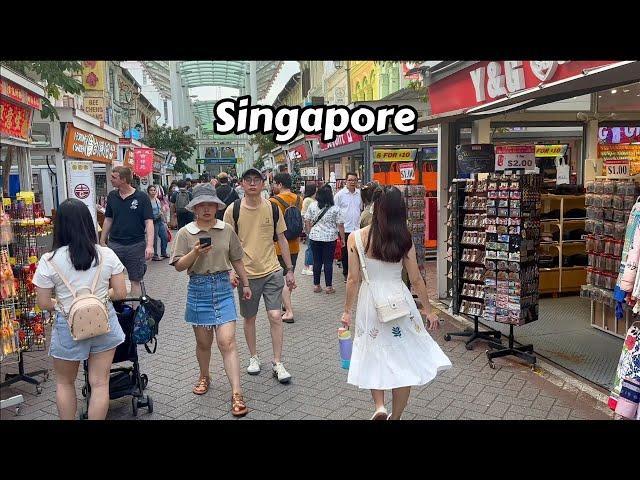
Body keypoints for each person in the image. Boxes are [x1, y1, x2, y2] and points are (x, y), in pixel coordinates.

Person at [341, 186, 452, 420]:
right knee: (403, 359)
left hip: (370, 302)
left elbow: (353, 279)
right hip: (399, 303)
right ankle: (396, 416)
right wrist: (429, 311)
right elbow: (416, 279)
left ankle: (379, 406)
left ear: (376, 208)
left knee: (374, 353)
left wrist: (347, 312)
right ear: (400, 211)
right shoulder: (404, 237)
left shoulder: (356, 238)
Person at [33, 199, 127, 420]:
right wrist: (99, 298)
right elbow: (121, 293)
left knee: (65, 383)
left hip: (68, 326)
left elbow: (44, 302)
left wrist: (66, 305)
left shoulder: (49, 260)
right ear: (88, 222)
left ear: (60, 225)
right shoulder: (107, 254)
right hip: (104, 324)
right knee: (100, 383)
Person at [171, 183, 252, 416]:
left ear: (217, 207)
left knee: (227, 342)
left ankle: (237, 393)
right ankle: (204, 375)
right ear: (194, 208)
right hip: (198, 289)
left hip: (223, 288)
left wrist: (245, 283)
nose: (207, 209)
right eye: (201, 205)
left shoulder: (226, 229)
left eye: (211, 204)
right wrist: (195, 252)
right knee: (203, 343)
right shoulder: (186, 233)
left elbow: (236, 259)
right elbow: (178, 266)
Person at [223, 168, 296, 384]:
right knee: (250, 317)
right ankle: (254, 357)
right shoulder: (232, 210)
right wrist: (230, 270)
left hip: (272, 270)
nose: (253, 184)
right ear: (242, 184)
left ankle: (277, 362)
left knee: (275, 315)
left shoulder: (272, 207)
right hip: (246, 275)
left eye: (257, 180)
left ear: (263, 184)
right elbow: (226, 242)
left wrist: (289, 269)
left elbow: (281, 239)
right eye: (248, 180)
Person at [100, 166, 154, 298]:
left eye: (114, 177)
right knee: (110, 279)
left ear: (123, 179)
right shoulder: (112, 196)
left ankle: (137, 314)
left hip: (135, 245)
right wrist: (102, 240)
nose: (111, 179)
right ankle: (115, 312)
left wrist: (150, 245)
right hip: (114, 244)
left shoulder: (142, 197)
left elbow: (149, 222)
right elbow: (108, 219)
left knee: (135, 280)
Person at [269, 173, 302, 323]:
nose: (273, 186)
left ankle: (288, 311)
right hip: (294, 245)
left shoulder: (272, 201)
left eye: (274, 184)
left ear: (280, 185)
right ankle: (286, 304)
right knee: (290, 275)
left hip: (278, 246)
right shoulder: (298, 199)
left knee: (280, 280)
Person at [304, 184, 345, 294]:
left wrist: (309, 232)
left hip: (315, 237)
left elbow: (306, 219)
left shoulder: (312, 205)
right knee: (328, 262)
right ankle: (328, 287)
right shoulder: (335, 209)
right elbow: (340, 225)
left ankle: (316, 286)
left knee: (317, 261)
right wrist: (343, 239)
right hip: (330, 238)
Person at [334, 172, 362, 282]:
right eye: (350, 180)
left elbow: (361, 208)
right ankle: (346, 273)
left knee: (358, 251)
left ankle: (356, 273)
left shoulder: (360, 194)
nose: (352, 182)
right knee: (345, 252)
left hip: (357, 228)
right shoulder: (339, 195)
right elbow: (335, 211)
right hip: (344, 229)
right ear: (346, 181)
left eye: (354, 180)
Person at [147, 185, 169, 261]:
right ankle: (155, 255)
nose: (153, 192)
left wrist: (164, 220)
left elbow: (161, 210)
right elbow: (147, 214)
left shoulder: (157, 200)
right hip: (153, 222)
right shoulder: (147, 201)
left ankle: (164, 252)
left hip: (160, 221)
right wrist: (155, 216)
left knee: (165, 236)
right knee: (154, 239)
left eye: (154, 190)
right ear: (148, 192)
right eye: (151, 190)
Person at [300, 183, 317, 276]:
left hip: (308, 225)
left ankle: (309, 266)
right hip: (309, 226)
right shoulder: (309, 200)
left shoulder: (307, 199)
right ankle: (308, 266)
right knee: (310, 246)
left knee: (310, 245)